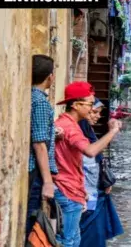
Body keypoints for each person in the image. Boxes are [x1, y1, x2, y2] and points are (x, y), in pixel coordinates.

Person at [53, 82, 122, 247]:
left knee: (74, 239)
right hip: (67, 189)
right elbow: (90, 151)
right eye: (90, 105)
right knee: (69, 241)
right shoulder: (70, 128)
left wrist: (81, 191)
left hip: (73, 190)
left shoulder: (64, 125)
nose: (92, 110)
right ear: (76, 105)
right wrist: (113, 131)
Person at [26, 55, 64, 240]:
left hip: (34, 171)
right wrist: (48, 182)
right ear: (50, 77)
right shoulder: (40, 102)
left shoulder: (30, 97)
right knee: (33, 224)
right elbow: (39, 144)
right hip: (36, 172)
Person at [78, 98, 124, 246]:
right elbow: (91, 155)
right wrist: (113, 131)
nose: (98, 116)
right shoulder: (77, 132)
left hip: (93, 192)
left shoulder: (87, 130)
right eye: (94, 112)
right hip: (86, 193)